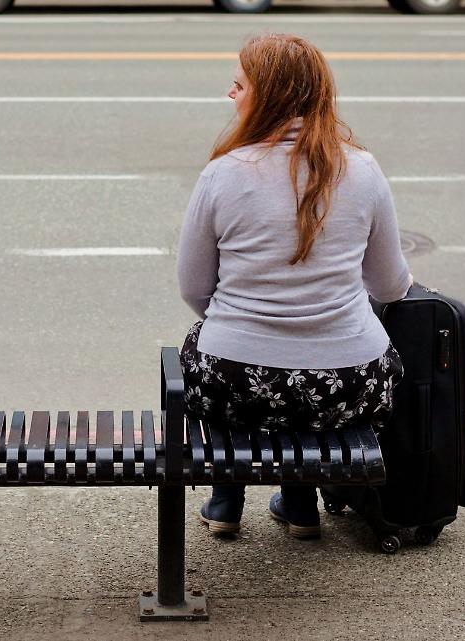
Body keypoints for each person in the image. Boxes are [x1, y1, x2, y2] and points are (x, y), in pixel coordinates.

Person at [176, 33, 412, 540]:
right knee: (309, 383)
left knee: (212, 356)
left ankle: (226, 499)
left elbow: (194, 289)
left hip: (237, 380)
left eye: (240, 85)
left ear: (268, 97)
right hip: (345, 382)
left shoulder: (223, 174)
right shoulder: (363, 170)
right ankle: (300, 504)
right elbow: (391, 287)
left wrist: (249, 322)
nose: (230, 93)